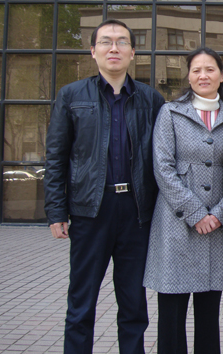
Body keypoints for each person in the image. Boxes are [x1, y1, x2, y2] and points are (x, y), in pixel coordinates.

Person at [44, 19, 165, 354]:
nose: (114, 48)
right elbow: (56, 157)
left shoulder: (151, 99)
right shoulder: (71, 96)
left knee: (133, 303)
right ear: (93, 51)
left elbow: (163, 158)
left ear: (133, 52)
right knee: (81, 301)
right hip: (90, 211)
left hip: (136, 213)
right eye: (106, 42)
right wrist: (56, 210)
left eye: (122, 42)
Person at [143, 47, 223, 354]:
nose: (203, 75)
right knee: (171, 313)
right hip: (176, 224)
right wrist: (196, 212)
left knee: (209, 314)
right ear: (188, 76)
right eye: (196, 70)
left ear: (221, 76)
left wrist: (220, 213)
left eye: (210, 69)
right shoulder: (170, 113)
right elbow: (162, 167)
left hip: (217, 227)